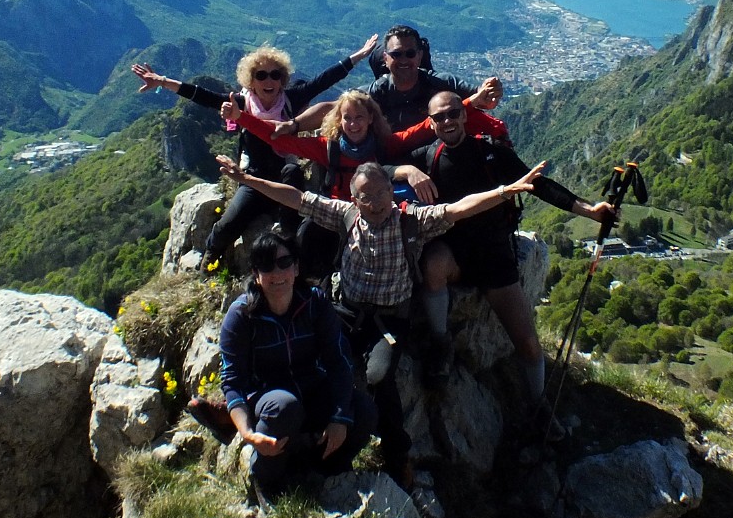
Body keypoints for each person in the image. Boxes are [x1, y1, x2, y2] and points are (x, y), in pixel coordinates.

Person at [214, 154, 546, 483]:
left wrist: (506, 191)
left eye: (381, 193)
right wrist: (246, 181)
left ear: (392, 190)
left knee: (378, 376)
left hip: (388, 322)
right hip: (345, 313)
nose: (375, 203)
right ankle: (252, 415)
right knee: (310, 362)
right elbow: (296, 197)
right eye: (366, 197)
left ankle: (396, 455)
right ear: (353, 199)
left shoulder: (412, 220)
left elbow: (458, 208)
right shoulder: (345, 215)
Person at [391, 91, 616, 436]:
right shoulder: (426, 157)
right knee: (432, 265)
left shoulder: (491, 153)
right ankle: (440, 342)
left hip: (495, 255)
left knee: (527, 342)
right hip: (455, 252)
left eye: (454, 113)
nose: (448, 121)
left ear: (464, 116)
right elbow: (378, 170)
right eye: (440, 117)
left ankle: (538, 406)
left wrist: (588, 210)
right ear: (431, 122)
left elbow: (538, 185)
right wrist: (406, 170)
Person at [131, 34, 379, 267]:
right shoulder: (241, 103)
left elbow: (325, 79)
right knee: (229, 224)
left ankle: (288, 238)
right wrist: (163, 82)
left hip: (285, 173)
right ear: (251, 80)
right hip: (254, 177)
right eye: (261, 75)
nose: (269, 81)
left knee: (293, 173)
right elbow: (201, 95)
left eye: (275, 75)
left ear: (282, 78)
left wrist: (359, 55)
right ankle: (210, 256)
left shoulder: (291, 99)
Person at [221, 88, 511, 278]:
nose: (354, 123)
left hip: (376, 218)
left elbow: (427, 126)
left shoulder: (386, 145)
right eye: (347, 118)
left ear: (371, 117)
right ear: (339, 120)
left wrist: (473, 102)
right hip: (337, 216)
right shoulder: (328, 147)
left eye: (360, 117)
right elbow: (281, 139)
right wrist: (241, 118)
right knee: (306, 238)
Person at [219, 231, 377, 503]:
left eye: (283, 262)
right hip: (270, 401)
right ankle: (268, 479)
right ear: (256, 274)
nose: (277, 272)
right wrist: (247, 434)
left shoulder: (314, 302)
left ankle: (324, 467)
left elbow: (338, 361)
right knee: (284, 406)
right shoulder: (241, 316)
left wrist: (339, 418)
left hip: (312, 389)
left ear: (296, 267)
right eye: (266, 266)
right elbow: (232, 382)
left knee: (363, 410)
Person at [366, 24, 487, 132]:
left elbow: (482, 97)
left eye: (410, 54)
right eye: (396, 54)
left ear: (419, 56)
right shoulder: (375, 93)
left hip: (437, 154)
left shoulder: (442, 84)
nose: (403, 60)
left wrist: (490, 89)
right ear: (385, 58)